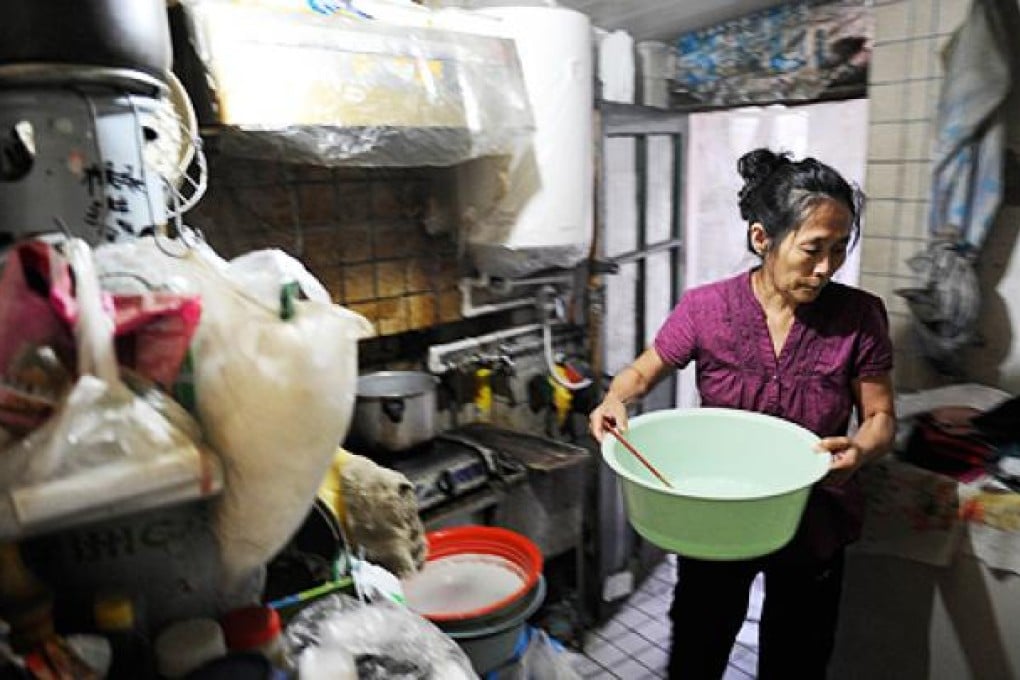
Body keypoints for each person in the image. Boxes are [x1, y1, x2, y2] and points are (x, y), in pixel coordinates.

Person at [588, 148, 895, 679]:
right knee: (698, 649)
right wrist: (617, 399)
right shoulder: (707, 309)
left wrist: (861, 449)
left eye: (840, 249)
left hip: (813, 512)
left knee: (797, 658)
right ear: (762, 239)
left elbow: (881, 416)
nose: (826, 268)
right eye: (812, 249)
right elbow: (641, 373)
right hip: (720, 514)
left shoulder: (859, 317)